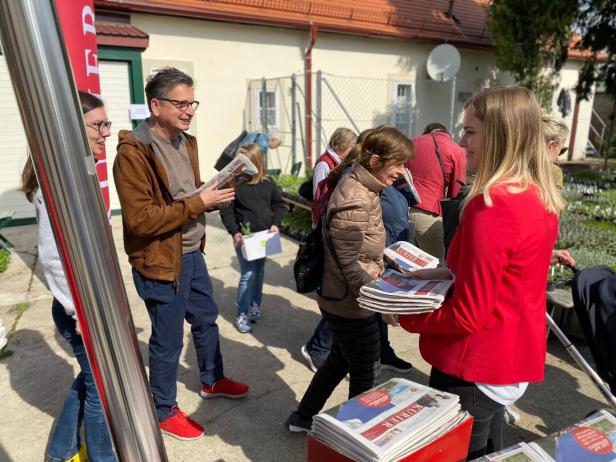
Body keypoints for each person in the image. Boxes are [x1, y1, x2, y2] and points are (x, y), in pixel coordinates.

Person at [386, 86, 564, 459]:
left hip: (475, 363)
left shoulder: (493, 205)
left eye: (470, 131)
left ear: (499, 134)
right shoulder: (538, 194)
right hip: (508, 358)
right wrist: (438, 274)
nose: (462, 142)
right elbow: (505, 278)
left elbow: (469, 314)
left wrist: (405, 314)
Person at [113, 67, 249, 441]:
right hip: (160, 261)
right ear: (155, 105)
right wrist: (197, 203)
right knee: (168, 338)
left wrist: (213, 195)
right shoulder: (133, 152)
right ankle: (163, 409)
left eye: (193, 103)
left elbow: (185, 196)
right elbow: (142, 220)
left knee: (206, 320)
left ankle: (212, 380)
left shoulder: (185, 142)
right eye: (181, 103)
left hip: (192, 253)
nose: (189, 110)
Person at [286, 125, 415, 433]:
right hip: (349, 301)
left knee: (339, 360)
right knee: (366, 370)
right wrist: (381, 300)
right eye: (398, 163)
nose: (402, 171)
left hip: (348, 296)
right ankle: (358, 435)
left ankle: (303, 418)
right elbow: (346, 263)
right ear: (375, 161)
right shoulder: (356, 197)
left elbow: (362, 250)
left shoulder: (366, 188)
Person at [21, 91, 116, 462]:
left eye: (105, 124)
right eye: (98, 125)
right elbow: (52, 256)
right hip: (79, 308)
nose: (106, 132)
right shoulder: (57, 180)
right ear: (71, 129)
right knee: (100, 388)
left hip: (87, 303)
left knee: (92, 379)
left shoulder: (78, 169)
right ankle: (101, 458)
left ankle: (60, 452)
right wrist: (81, 310)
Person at [302, 127, 357, 369]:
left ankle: (322, 344)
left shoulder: (334, 162)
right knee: (333, 292)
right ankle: (316, 348)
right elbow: (319, 196)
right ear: (343, 147)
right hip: (325, 229)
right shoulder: (325, 164)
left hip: (330, 228)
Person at [219, 143, 286, 333]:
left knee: (259, 272)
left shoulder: (268, 184)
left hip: (264, 238)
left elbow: (279, 205)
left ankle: (255, 304)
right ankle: (242, 312)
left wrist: (275, 223)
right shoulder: (235, 186)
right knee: (248, 275)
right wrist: (235, 232)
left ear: (255, 163)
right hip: (244, 240)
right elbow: (227, 211)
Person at [405, 123, 466, 264]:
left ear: (426, 132)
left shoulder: (412, 142)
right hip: (429, 213)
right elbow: (455, 192)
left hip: (402, 210)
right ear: (447, 134)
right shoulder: (456, 150)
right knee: (436, 265)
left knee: (406, 264)